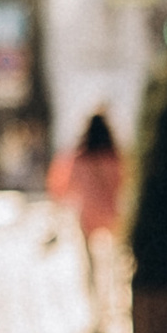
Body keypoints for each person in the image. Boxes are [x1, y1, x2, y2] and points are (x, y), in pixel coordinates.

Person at [50, 110, 124, 321]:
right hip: (111, 214)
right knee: (112, 263)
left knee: (90, 265)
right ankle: (111, 303)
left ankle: (97, 310)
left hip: (87, 215)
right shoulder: (115, 157)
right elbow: (125, 183)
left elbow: (61, 187)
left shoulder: (78, 159)